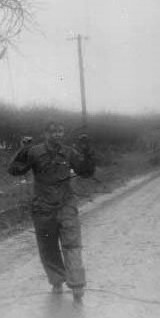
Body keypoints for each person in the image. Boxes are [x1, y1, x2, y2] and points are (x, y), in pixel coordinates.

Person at [8, 120, 96, 302]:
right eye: (53, 132)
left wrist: (87, 151)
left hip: (66, 205)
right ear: (45, 133)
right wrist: (23, 150)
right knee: (48, 248)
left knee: (72, 245)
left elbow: (86, 172)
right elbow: (14, 170)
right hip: (43, 207)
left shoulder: (69, 152)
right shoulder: (34, 152)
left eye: (60, 131)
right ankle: (56, 281)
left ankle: (77, 285)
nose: (57, 135)